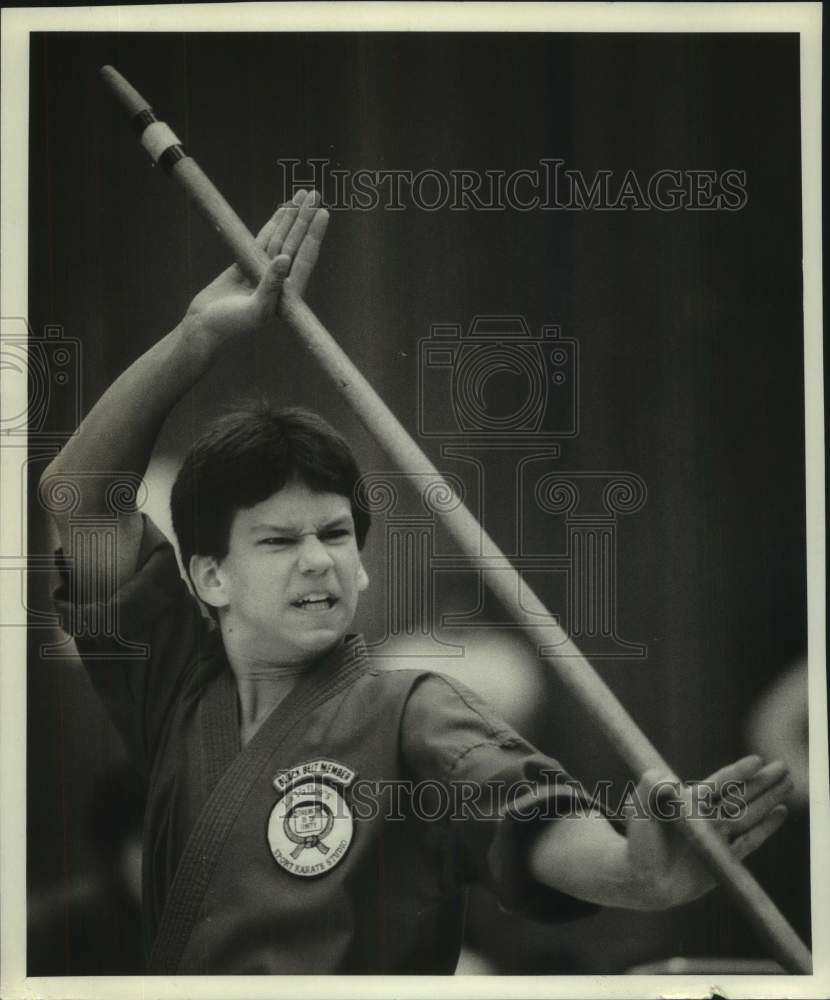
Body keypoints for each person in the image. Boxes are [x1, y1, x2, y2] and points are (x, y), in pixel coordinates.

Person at [41, 189, 794, 975]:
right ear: (209, 577)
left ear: (363, 563)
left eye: (335, 534)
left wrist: (635, 873)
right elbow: (78, 495)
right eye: (277, 540)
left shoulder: (415, 712)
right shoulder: (172, 687)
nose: (318, 560)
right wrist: (196, 336)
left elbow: (528, 821)